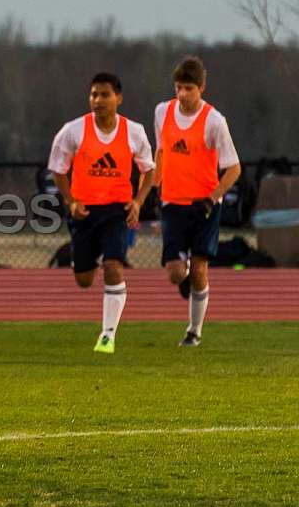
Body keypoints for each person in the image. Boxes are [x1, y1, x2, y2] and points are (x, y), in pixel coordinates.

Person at [48, 73, 155, 353]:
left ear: (118, 98)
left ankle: (107, 335)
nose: (98, 100)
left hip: (117, 211)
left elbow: (149, 169)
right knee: (84, 280)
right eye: (94, 94)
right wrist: (71, 202)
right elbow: (58, 169)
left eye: (105, 95)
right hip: (83, 212)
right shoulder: (73, 130)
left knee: (113, 266)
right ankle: (88, 256)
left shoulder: (134, 131)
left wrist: (138, 201)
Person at [154, 56, 241, 347]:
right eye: (179, 87)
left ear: (201, 87)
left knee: (201, 267)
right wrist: (155, 187)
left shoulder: (214, 121)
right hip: (172, 204)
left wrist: (213, 197)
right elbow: (161, 152)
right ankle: (185, 275)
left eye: (189, 88)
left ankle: (194, 332)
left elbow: (234, 168)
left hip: (203, 206)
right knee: (175, 273)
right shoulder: (162, 112)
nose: (182, 94)